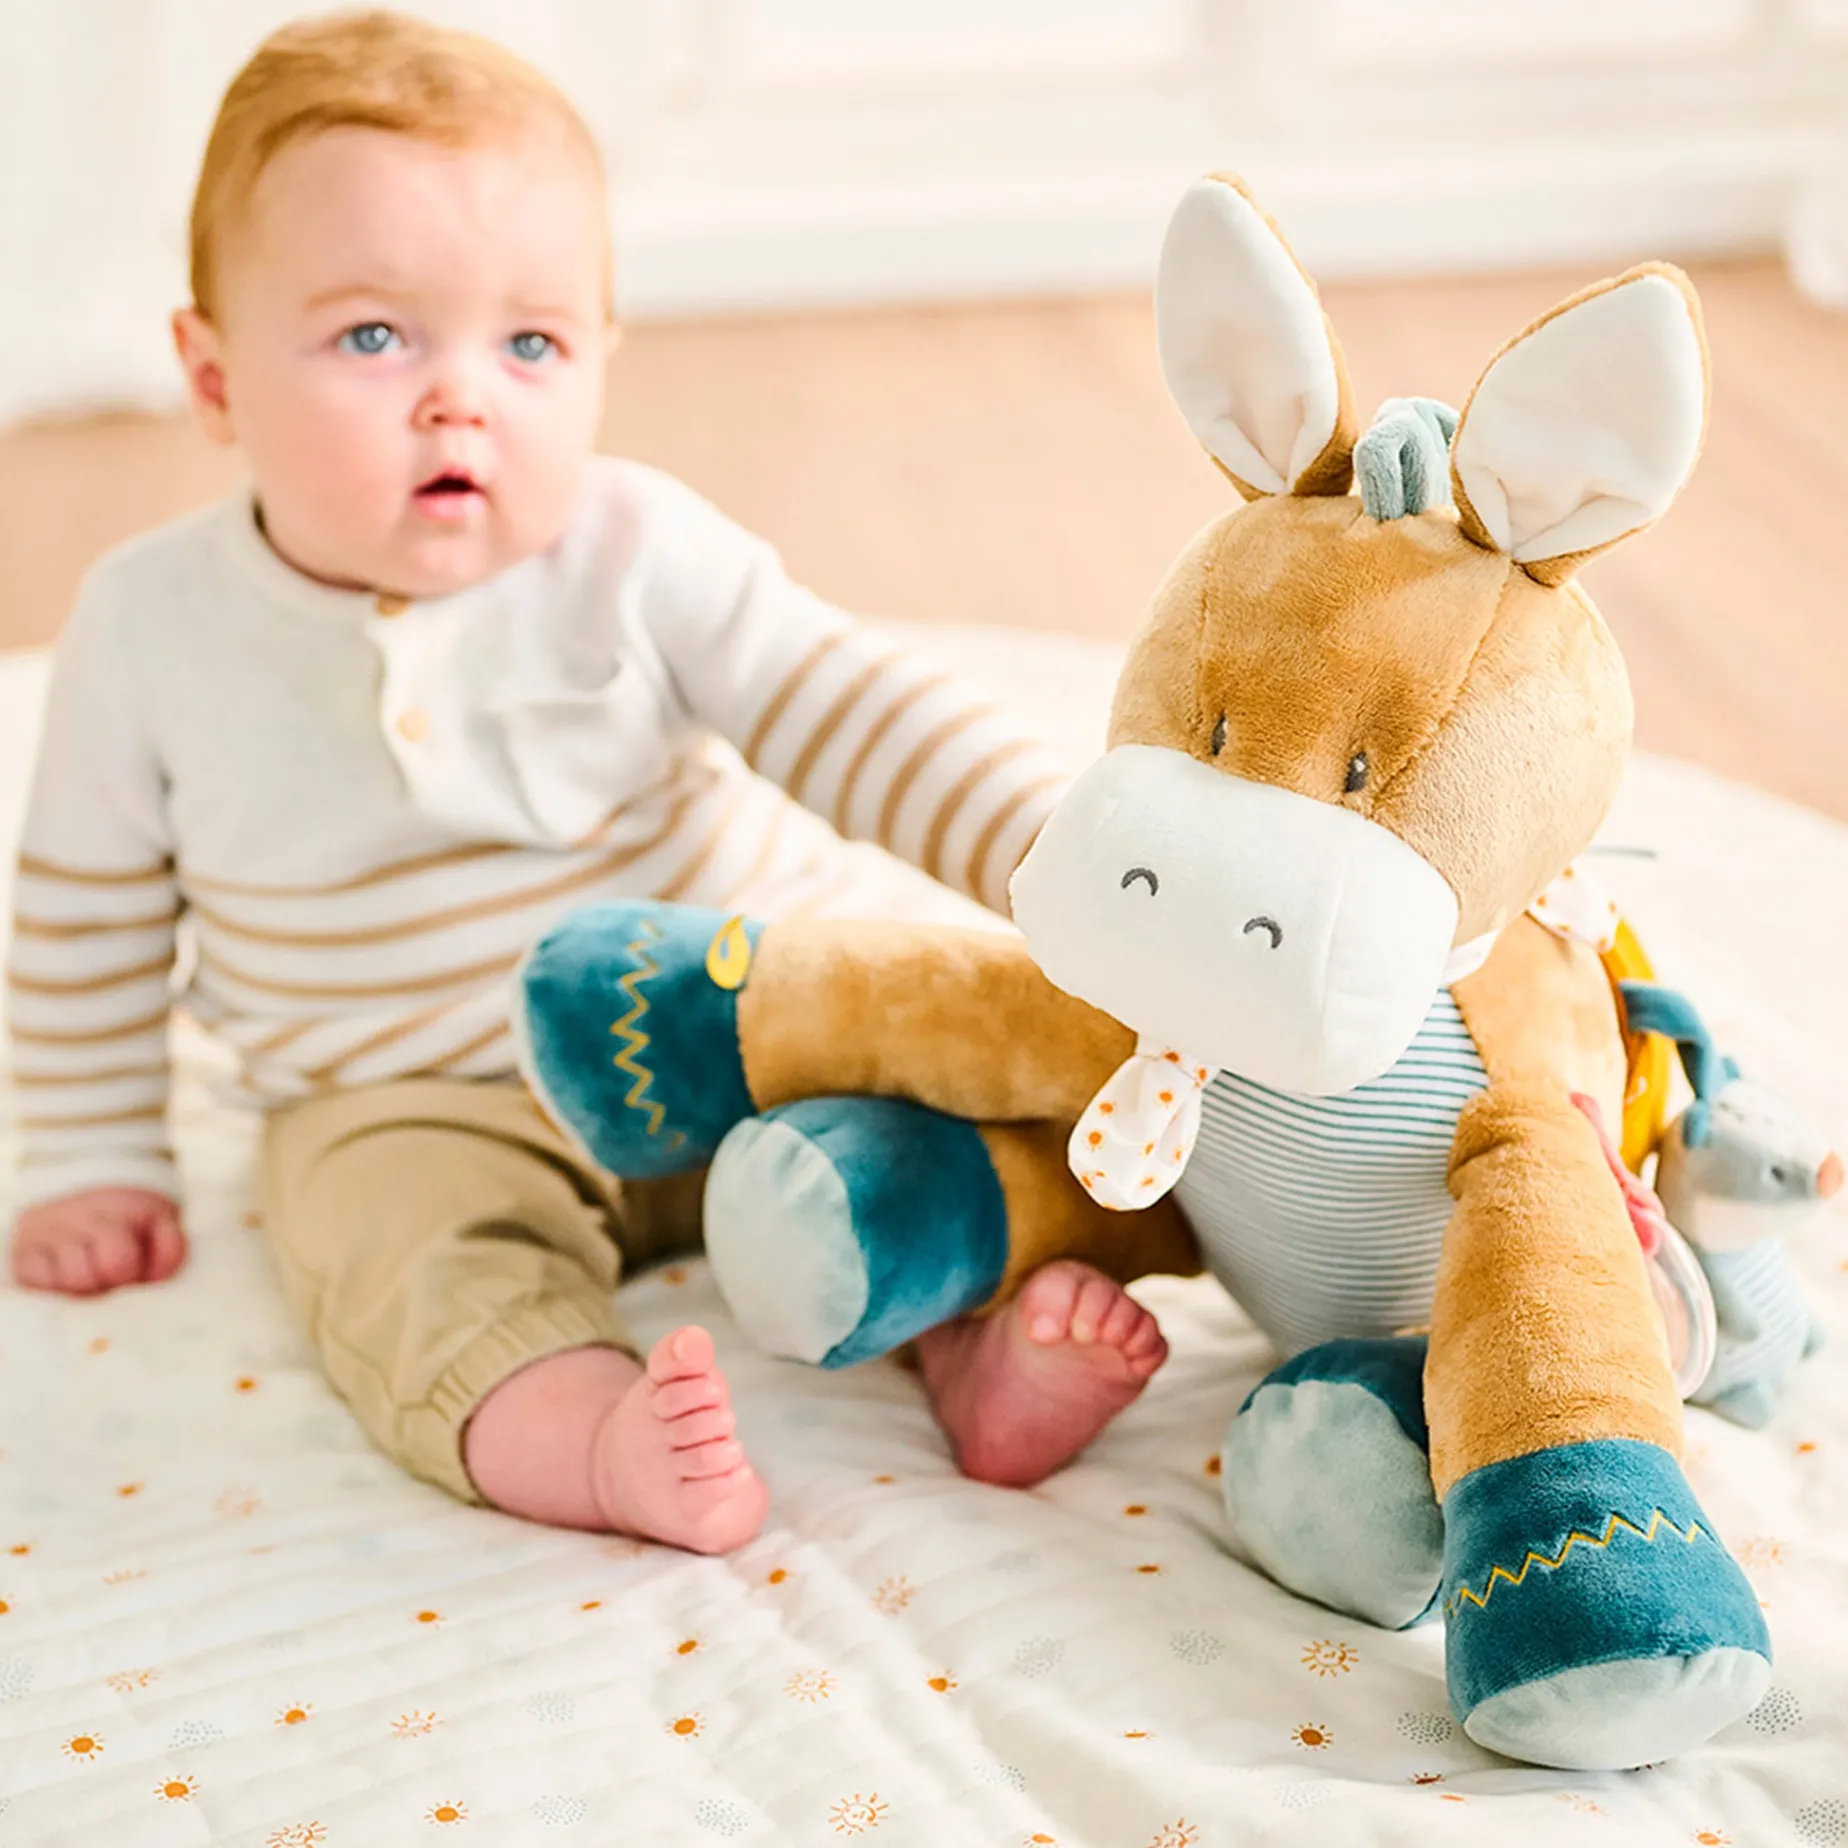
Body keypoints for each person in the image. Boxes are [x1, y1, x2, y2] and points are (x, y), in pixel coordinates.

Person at [4, 10, 1166, 1552]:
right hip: (410, 1094)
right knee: (397, 1255)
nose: (460, 397)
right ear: (212, 380)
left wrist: (1075, 864)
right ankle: (587, 1432)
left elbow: (860, 715)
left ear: (604, 357)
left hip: (725, 1005)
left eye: (531, 344)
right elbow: (85, 917)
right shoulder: (149, 626)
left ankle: (973, 1345)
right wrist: (90, 1155)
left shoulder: (639, 549)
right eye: (375, 338)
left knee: (917, 1115)